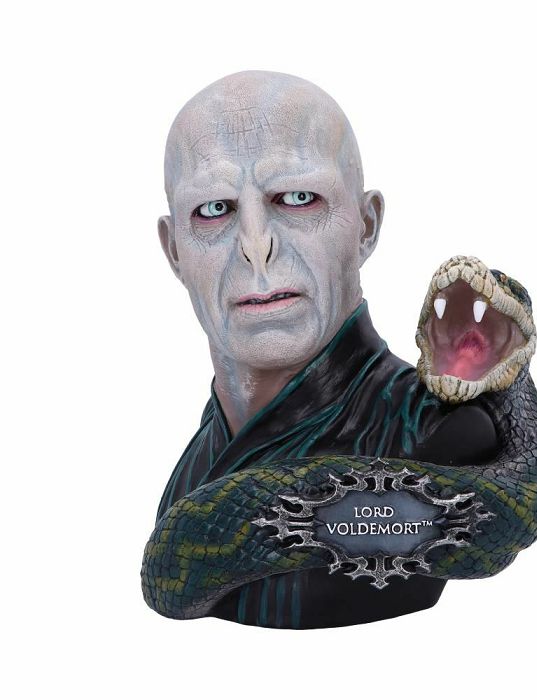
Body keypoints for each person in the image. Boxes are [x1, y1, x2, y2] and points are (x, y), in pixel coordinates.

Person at [155, 70, 499, 628]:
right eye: (214, 209)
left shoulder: (440, 437)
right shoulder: (197, 466)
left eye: (298, 198)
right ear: (174, 250)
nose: (256, 245)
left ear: (366, 225)